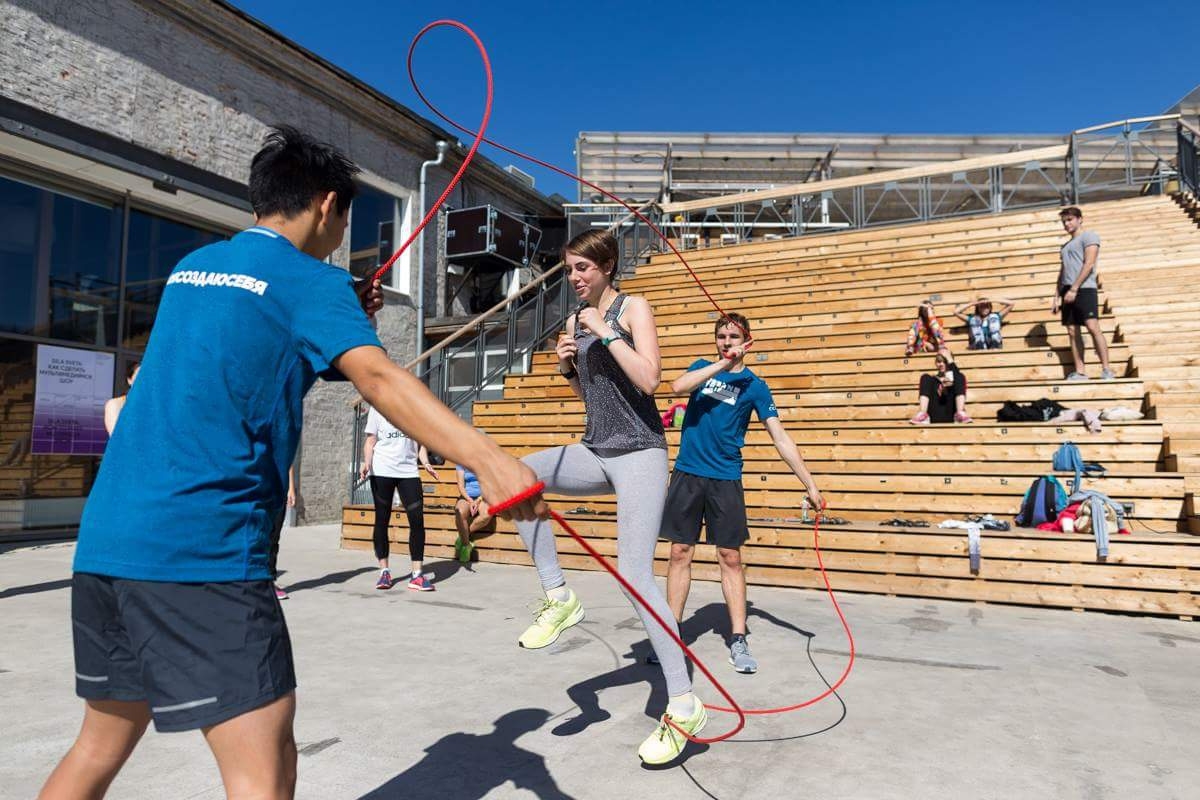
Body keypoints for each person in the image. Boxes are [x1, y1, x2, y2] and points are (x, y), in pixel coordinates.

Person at [40, 125, 545, 800]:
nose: (343, 234)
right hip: (203, 555)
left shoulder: (192, 269)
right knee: (266, 770)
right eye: (347, 219)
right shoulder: (312, 282)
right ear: (328, 204)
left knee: (97, 749)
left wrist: (336, 316)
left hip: (107, 545)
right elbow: (381, 381)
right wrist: (493, 459)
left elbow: (247, 365)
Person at [512, 229, 706, 766]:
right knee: (516, 474)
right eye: (569, 270)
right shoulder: (576, 322)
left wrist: (604, 330)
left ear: (607, 266)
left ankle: (684, 702)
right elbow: (594, 396)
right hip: (596, 448)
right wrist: (568, 365)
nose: (573, 279)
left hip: (641, 453)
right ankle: (559, 595)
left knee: (636, 576)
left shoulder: (632, 308)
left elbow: (649, 380)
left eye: (581, 269)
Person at [661, 312, 823, 675]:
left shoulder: (755, 386)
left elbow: (780, 437)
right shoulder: (705, 368)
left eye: (733, 336)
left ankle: (738, 637)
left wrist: (810, 484)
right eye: (721, 336)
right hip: (688, 474)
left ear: (747, 340)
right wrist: (722, 363)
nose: (726, 341)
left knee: (730, 557)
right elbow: (676, 387)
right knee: (679, 552)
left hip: (725, 478)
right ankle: (672, 633)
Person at [358, 405, 438, 590]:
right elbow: (370, 441)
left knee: (417, 520)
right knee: (382, 519)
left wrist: (425, 462)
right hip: (382, 469)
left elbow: (421, 444)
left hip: (409, 471)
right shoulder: (377, 407)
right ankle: (384, 572)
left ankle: (417, 575)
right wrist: (367, 462)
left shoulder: (414, 408)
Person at [1052, 207, 1113, 380]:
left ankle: (1106, 369)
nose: (1066, 224)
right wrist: (1057, 296)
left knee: (1093, 327)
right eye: (1064, 221)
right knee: (1072, 331)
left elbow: (1089, 263)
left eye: (1070, 219)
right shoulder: (1064, 246)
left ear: (1080, 219)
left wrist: (1074, 288)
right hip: (1066, 290)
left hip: (1084, 288)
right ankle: (1080, 371)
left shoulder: (1089, 236)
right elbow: (1062, 271)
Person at [909, 347, 972, 424]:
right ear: (935, 363)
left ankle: (960, 414)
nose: (942, 364)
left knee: (960, 376)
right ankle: (923, 415)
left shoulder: (956, 377)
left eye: (945, 361)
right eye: (939, 361)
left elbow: (958, 377)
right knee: (925, 377)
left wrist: (950, 360)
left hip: (950, 415)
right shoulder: (931, 380)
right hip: (934, 415)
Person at [268, 463, 298, 600]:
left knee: (274, 538)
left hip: (279, 490)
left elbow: (288, 460)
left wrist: (291, 488)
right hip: (259, 489)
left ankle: (270, 581)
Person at [453, 463, 492, 564]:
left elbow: (489, 485)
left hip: (483, 496)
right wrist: (470, 500)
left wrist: (478, 500)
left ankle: (463, 536)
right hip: (467, 496)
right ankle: (466, 545)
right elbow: (461, 486)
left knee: (487, 514)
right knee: (459, 512)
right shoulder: (461, 463)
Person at [102, 361, 140, 435]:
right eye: (140, 377)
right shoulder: (116, 404)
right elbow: (117, 436)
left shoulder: (154, 406)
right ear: (129, 380)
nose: (144, 382)